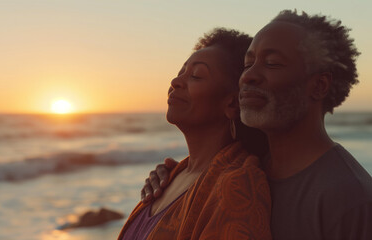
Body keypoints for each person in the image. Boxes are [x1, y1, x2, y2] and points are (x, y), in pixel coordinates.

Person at [143, 10, 372, 240]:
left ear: (319, 85)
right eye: (247, 64)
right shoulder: (244, 172)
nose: (248, 76)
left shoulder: (349, 197)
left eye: (272, 63)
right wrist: (174, 181)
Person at [118, 28, 272, 240]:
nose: (176, 82)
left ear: (232, 103)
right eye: (181, 72)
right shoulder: (171, 177)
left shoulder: (237, 185)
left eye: (196, 76)